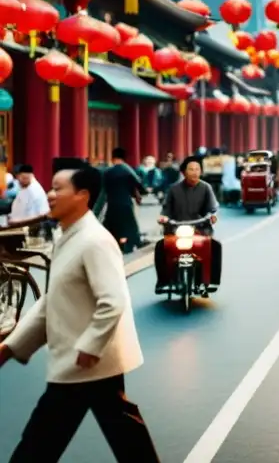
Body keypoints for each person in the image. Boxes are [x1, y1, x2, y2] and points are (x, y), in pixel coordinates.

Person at [0, 166, 160, 462]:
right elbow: (52, 303)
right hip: (90, 363)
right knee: (124, 432)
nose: (50, 195)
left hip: (83, 361)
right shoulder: (69, 238)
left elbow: (112, 300)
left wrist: (89, 347)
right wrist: (10, 347)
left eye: (58, 188)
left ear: (83, 196)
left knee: (39, 442)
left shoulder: (94, 241)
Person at [154, 156, 221, 292]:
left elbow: (213, 208)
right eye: (191, 169)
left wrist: (213, 216)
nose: (195, 172)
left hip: (201, 229)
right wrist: (163, 218)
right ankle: (163, 281)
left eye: (197, 169)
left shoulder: (206, 188)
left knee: (215, 247)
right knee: (160, 247)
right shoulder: (173, 190)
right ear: (183, 172)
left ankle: (211, 280)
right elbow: (166, 209)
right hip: (176, 229)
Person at [101, 147, 144, 253]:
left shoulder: (107, 172)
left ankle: (109, 243)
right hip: (125, 202)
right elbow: (139, 184)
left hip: (112, 203)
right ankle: (134, 242)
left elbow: (103, 190)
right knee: (130, 225)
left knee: (110, 225)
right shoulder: (127, 170)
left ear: (112, 158)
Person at [1, 164, 50, 233]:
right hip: (14, 224)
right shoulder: (23, 186)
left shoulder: (35, 190)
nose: (18, 180)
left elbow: (42, 216)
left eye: (21, 177)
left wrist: (18, 222)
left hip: (26, 229)